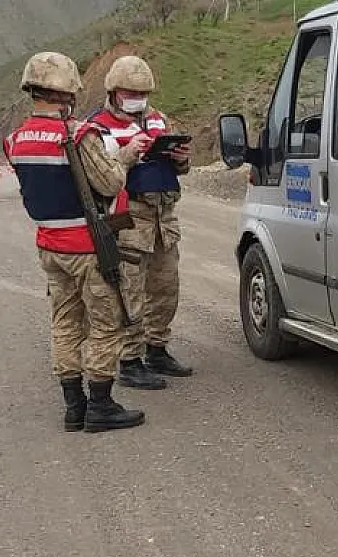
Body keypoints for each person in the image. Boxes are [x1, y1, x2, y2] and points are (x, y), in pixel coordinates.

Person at [2, 51, 148, 433]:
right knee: (105, 323)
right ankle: (100, 405)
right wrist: (127, 158)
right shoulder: (78, 135)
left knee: (65, 323)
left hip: (49, 245)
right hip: (87, 245)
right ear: (67, 92)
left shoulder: (16, 140)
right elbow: (110, 183)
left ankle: (73, 406)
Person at [87, 55, 194, 390]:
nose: (138, 98)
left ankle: (157, 349)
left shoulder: (158, 119)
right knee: (129, 292)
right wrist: (128, 153)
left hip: (164, 217)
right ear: (114, 91)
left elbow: (178, 168)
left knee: (165, 289)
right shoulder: (98, 127)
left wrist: (180, 161)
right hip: (129, 218)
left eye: (143, 92)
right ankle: (130, 360)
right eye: (130, 92)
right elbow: (99, 176)